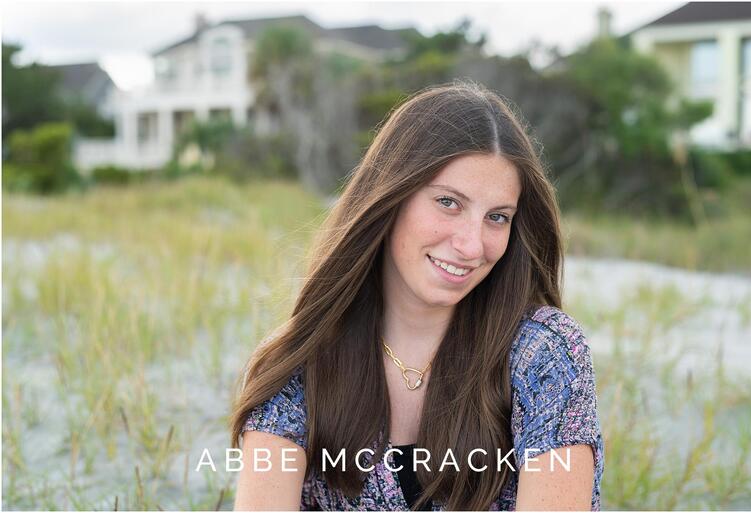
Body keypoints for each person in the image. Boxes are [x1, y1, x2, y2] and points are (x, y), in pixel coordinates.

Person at [230, 81, 604, 511]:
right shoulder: (299, 364)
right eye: (448, 202)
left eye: (497, 217)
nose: (472, 245)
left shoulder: (544, 354)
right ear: (390, 197)